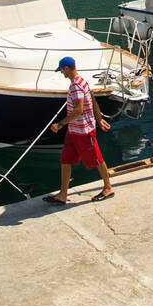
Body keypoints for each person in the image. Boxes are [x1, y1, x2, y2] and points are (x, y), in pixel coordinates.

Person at [46, 56, 114, 203]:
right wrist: (99, 118)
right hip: (73, 130)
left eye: (61, 70)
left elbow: (78, 110)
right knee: (66, 159)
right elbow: (93, 100)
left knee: (96, 158)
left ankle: (108, 188)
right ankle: (63, 194)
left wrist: (60, 124)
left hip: (83, 131)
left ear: (66, 68)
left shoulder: (76, 86)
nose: (61, 73)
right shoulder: (82, 81)